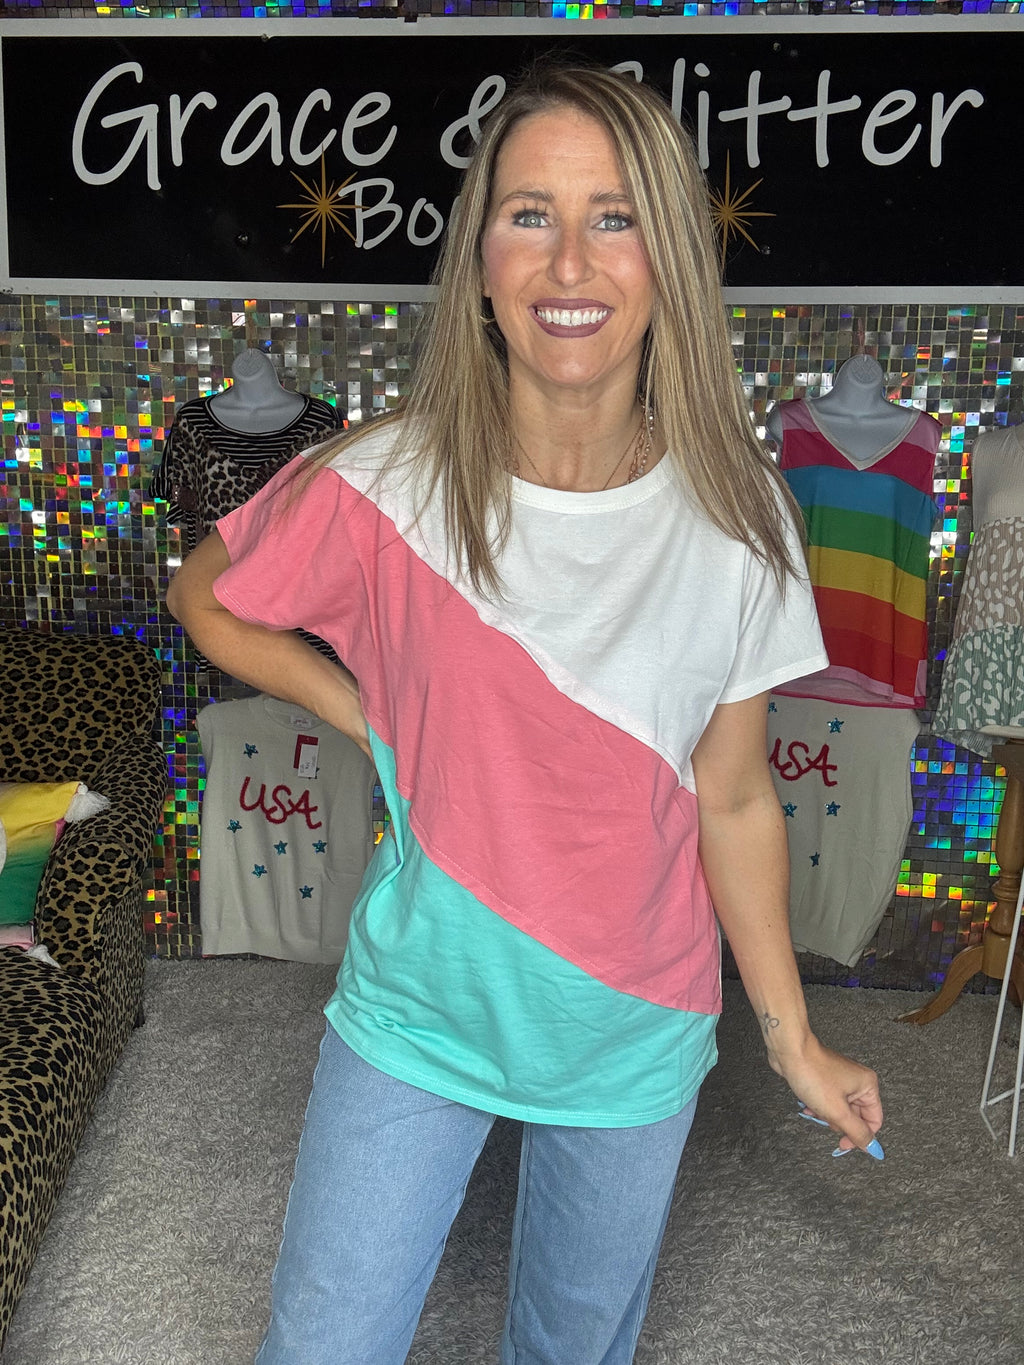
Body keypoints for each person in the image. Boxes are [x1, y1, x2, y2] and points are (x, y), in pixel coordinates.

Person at [167, 62, 884, 1365]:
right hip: (415, 1011)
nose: (568, 263)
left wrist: (794, 1041)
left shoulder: (742, 517)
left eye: (615, 217)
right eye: (529, 214)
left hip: (634, 1028)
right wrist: (363, 706)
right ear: (482, 259)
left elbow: (733, 796)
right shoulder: (384, 480)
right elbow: (206, 596)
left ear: (669, 257)